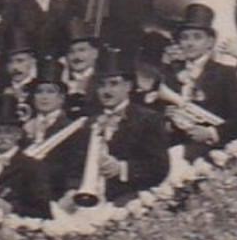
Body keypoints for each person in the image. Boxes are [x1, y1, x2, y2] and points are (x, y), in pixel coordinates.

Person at [73, 47, 170, 206]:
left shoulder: (149, 119)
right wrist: (73, 189)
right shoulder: (89, 123)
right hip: (87, 202)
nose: (107, 91)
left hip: (128, 200)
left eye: (114, 84)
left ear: (129, 86)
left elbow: (159, 168)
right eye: (102, 85)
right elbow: (75, 167)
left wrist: (121, 169)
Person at [160, 3, 237, 161]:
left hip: (207, 151)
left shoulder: (226, 73)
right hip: (172, 145)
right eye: (185, 37)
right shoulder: (172, 72)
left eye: (197, 37)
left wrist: (211, 133)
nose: (190, 43)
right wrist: (165, 119)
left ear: (210, 42)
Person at [0, 94, 53, 219]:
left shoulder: (33, 167)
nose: (2, 137)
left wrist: (12, 209)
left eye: (9, 132)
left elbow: (44, 213)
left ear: (18, 135)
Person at [22, 59, 90, 202]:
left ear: (61, 98)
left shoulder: (74, 129)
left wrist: (70, 193)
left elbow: (76, 168)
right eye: (39, 92)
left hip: (59, 197)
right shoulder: (24, 127)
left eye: (50, 91)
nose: (44, 97)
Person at [61, 18, 101, 110]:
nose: (77, 56)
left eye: (82, 50)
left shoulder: (102, 81)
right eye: (71, 52)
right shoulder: (61, 82)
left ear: (95, 53)